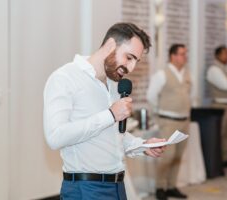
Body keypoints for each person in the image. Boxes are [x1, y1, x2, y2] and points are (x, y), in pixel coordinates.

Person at [43, 22, 167, 200]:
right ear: (110, 45)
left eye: (136, 62)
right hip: (85, 189)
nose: (131, 68)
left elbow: (111, 136)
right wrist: (109, 115)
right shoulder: (65, 78)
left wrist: (143, 146)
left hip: (117, 186)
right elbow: (55, 137)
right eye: (129, 57)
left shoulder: (113, 86)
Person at [147, 44, 191, 200]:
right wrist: (159, 114)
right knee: (167, 156)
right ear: (173, 56)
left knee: (178, 155)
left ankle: (172, 186)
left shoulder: (186, 73)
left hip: (185, 120)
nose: (185, 57)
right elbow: (151, 96)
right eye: (182, 54)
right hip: (168, 121)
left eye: (185, 54)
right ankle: (160, 187)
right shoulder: (162, 74)